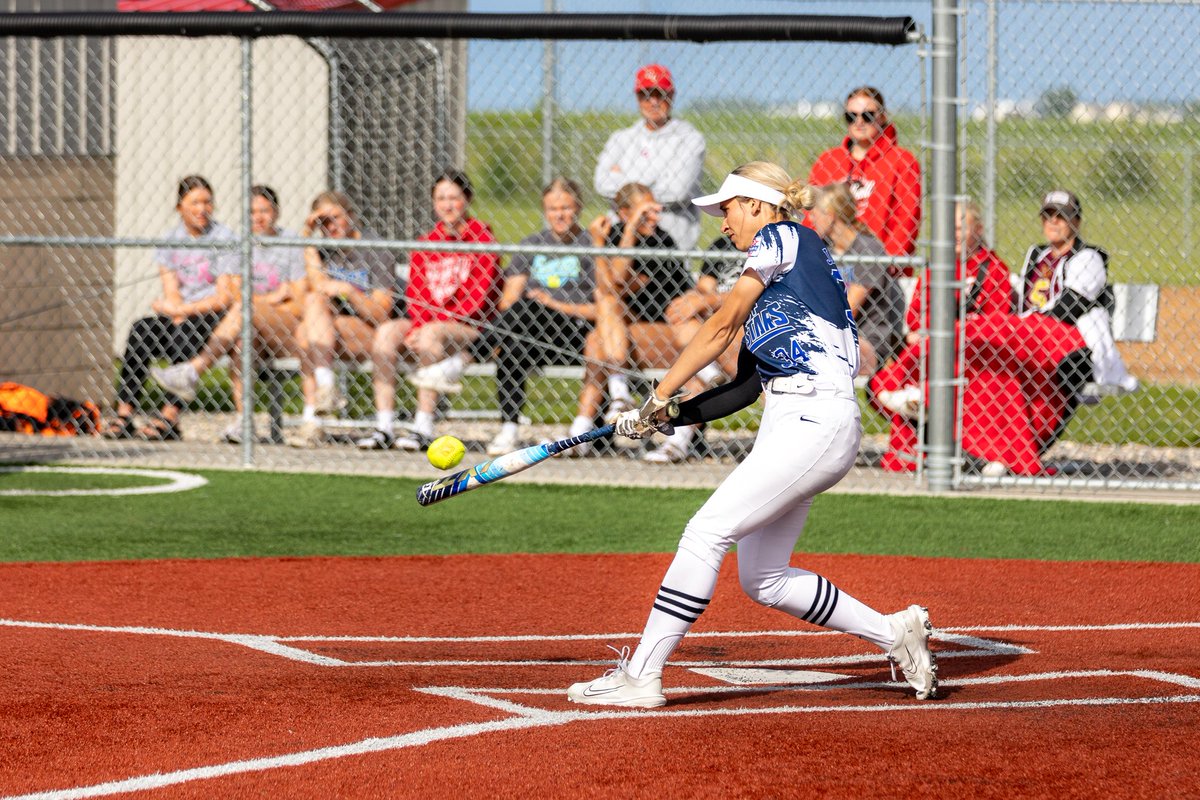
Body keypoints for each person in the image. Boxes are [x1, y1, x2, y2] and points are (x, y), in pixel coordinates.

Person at [566, 162, 937, 708]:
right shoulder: (780, 284)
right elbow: (741, 388)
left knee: (705, 531)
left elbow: (717, 328)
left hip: (814, 420)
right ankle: (893, 633)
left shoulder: (784, 237)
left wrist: (657, 394)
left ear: (760, 206)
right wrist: (668, 416)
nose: (723, 222)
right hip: (794, 425)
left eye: (729, 209)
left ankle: (642, 674)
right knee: (763, 578)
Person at [406, 178, 596, 456]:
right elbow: (509, 300)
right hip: (532, 329)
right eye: (553, 208)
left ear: (578, 207)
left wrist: (552, 302)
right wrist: (536, 303)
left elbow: (600, 307)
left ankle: (461, 362)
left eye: (566, 207)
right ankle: (509, 431)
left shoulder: (591, 244)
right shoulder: (532, 244)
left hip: (573, 328)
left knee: (530, 306)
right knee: (513, 341)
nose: (559, 214)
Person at [150, 184, 306, 444]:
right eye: (252, 212)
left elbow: (298, 302)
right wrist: (273, 297)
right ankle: (245, 422)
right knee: (241, 339)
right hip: (249, 326)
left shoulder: (291, 244)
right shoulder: (240, 244)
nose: (258, 217)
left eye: (265, 210)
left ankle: (192, 371)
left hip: (284, 328)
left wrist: (262, 302)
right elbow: (234, 293)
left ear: (276, 212)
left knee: (245, 310)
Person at [356, 170, 501, 450]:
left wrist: (429, 327)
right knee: (386, 333)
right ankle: (383, 425)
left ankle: (423, 425)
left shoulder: (483, 240)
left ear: (467, 199)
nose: (448, 205)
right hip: (426, 323)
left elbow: (477, 299)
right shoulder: (425, 243)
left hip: (472, 328)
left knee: (432, 334)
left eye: (454, 198)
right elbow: (416, 294)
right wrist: (420, 325)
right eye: (441, 198)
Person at [104, 175, 237, 441]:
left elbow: (224, 296)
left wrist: (182, 311)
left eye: (207, 202)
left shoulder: (223, 238)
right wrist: (174, 309)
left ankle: (169, 417)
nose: (202, 209)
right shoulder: (171, 240)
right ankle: (125, 413)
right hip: (181, 313)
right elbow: (171, 291)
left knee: (185, 332)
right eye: (195, 202)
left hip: (211, 317)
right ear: (180, 207)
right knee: (141, 330)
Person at [572, 182, 696, 462]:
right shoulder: (614, 233)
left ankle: (594, 417)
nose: (654, 218)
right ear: (625, 213)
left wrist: (604, 244)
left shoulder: (659, 240)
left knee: (598, 332)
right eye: (645, 212)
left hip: (662, 331)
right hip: (622, 332)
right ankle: (609, 402)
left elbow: (614, 282)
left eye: (654, 210)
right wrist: (606, 240)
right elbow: (608, 288)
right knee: (602, 318)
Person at [289, 191, 397, 448]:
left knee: (307, 331)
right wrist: (307, 234)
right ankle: (323, 395)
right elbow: (318, 287)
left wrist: (350, 292)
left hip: (372, 333)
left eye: (335, 218)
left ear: (351, 216)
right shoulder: (324, 250)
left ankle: (313, 418)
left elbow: (382, 315)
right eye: (323, 222)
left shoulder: (375, 249)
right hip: (329, 335)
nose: (331, 226)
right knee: (309, 320)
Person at [1015, 189, 1138, 395]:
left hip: (1071, 348)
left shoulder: (1089, 258)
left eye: (1061, 216)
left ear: (1077, 222)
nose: (1053, 221)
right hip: (1032, 339)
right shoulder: (1037, 255)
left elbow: (1068, 308)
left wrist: (1024, 329)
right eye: (1047, 215)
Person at [594, 64, 706, 250]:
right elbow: (601, 183)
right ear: (637, 98)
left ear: (671, 95)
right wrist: (657, 181)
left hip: (672, 240)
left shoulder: (690, 139)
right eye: (645, 95)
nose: (653, 101)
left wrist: (626, 185)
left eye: (659, 94)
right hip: (621, 239)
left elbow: (678, 191)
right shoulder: (621, 138)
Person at [807, 86, 921, 260]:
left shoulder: (902, 161)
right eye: (851, 116)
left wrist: (883, 265)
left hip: (880, 267)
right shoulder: (828, 161)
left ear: (882, 116)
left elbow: (907, 220)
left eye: (867, 116)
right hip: (829, 263)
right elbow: (811, 216)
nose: (859, 122)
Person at [807, 182, 904, 376]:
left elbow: (848, 309)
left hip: (868, 340)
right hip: (827, 332)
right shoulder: (822, 249)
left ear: (830, 215)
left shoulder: (868, 249)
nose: (811, 218)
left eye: (815, 212)